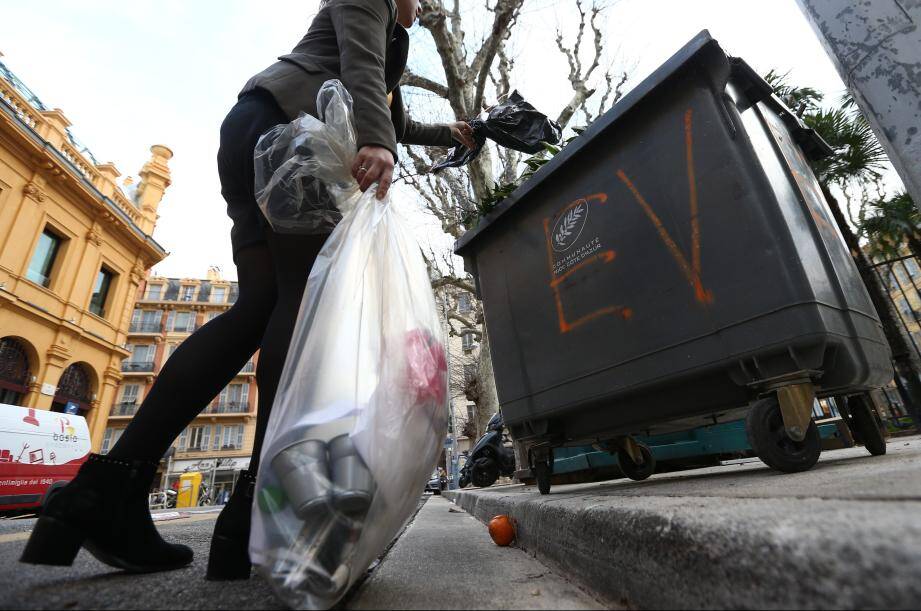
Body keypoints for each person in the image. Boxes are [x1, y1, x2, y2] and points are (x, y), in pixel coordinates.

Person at [21, 0, 474, 580]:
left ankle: (109, 487)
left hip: (254, 132)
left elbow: (387, 106)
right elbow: (362, 66)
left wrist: (451, 133)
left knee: (257, 306)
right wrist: (378, 145)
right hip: (294, 133)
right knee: (298, 301)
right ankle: (259, 507)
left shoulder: (392, 34)